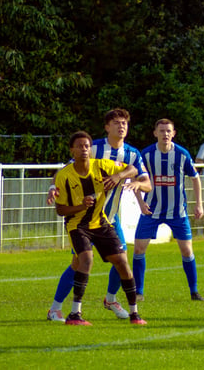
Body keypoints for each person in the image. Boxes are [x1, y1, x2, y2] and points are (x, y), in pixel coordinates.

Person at [46, 108, 151, 322]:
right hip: (84, 218)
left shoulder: (132, 153)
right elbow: (65, 171)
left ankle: (110, 298)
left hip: (109, 218)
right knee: (79, 262)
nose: (121, 126)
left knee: (121, 259)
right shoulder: (92, 148)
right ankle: (56, 308)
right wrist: (51, 187)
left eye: (124, 123)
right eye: (116, 123)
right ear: (107, 127)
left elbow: (146, 183)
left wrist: (135, 182)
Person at [133, 118, 204, 302]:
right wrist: (140, 203)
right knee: (139, 249)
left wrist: (199, 204)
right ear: (155, 133)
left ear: (173, 133)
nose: (165, 134)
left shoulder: (182, 154)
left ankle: (194, 291)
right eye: (162, 130)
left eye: (168, 131)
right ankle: (138, 292)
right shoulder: (147, 154)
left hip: (177, 212)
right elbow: (137, 180)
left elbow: (195, 178)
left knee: (187, 251)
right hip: (151, 210)